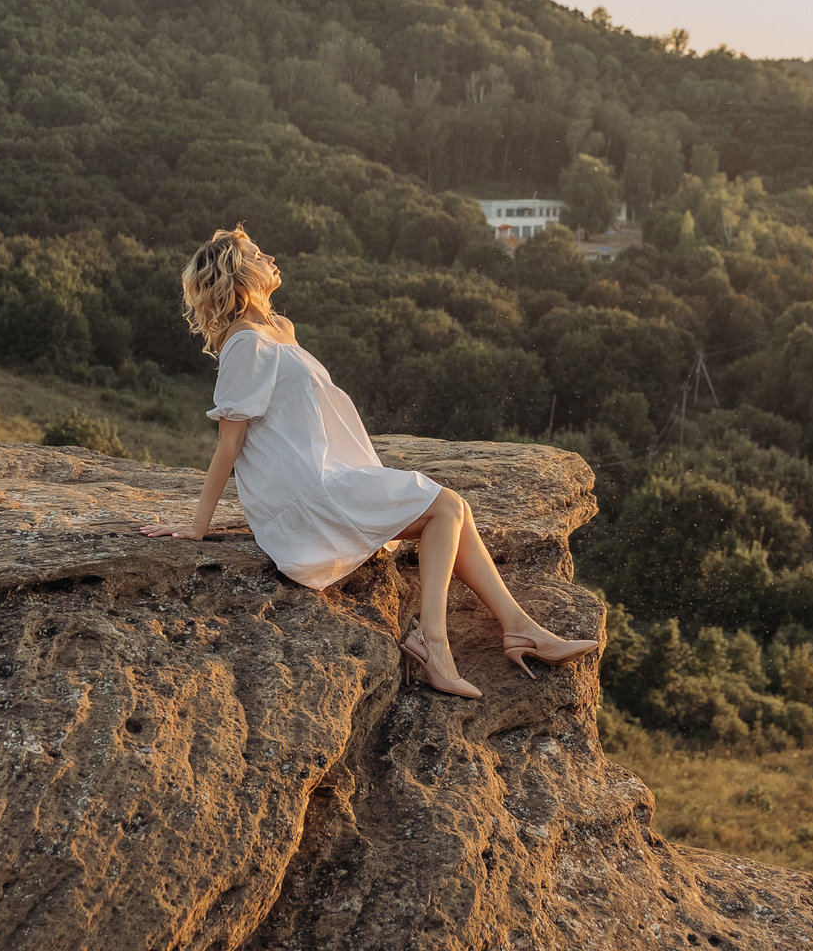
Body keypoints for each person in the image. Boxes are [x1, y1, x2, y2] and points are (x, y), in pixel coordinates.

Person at [141, 225, 598, 699]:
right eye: (257, 253)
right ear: (238, 274)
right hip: (304, 495)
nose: (270, 255)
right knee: (444, 506)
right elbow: (228, 442)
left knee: (452, 507)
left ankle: (518, 628)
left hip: (330, 474)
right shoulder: (244, 341)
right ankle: (435, 645)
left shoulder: (281, 331)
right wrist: (198, 525)